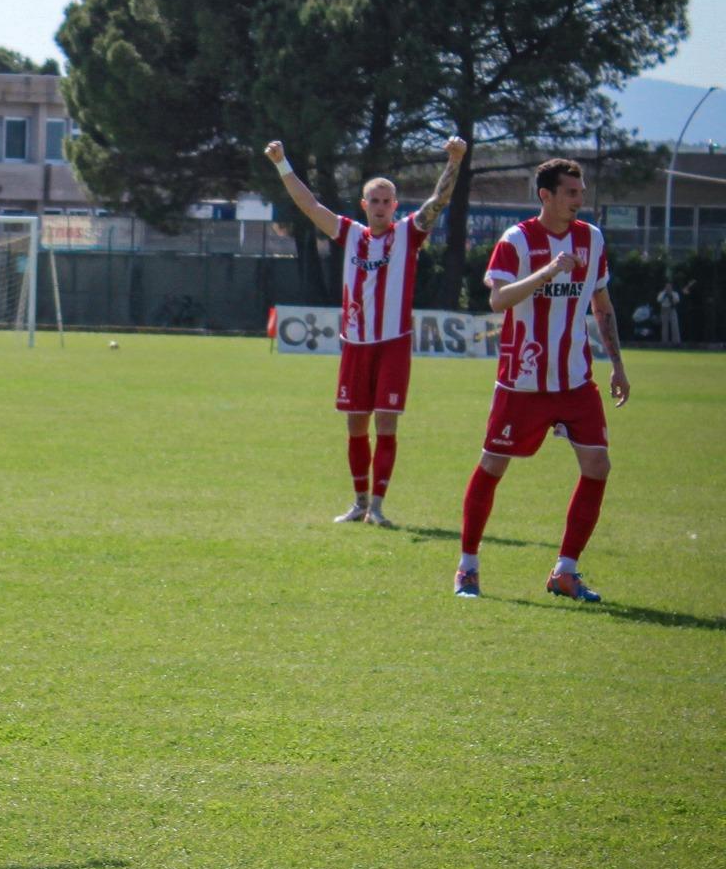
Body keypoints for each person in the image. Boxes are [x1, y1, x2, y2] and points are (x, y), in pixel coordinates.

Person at [264, 136, 466, 526]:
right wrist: (282, 163)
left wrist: (454, 161)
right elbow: (309, 206)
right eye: (373, 200)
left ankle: (377, 506)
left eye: (386, 200)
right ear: (364, 205)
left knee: (386, 424)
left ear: (395, 206)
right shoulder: (351, 234)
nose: (380, 206)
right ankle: (358, 502)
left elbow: (438, 202)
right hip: (355, 344)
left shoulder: (409, 233)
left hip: (392, 344)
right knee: (355, 425)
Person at [454, 158, 630, 601]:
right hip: (523, 382)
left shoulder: (592, 239)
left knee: (598, 466)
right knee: (493, 465)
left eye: (581, 191)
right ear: (545, 196)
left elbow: (602, 305)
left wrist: (618, 366)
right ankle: (468, 568)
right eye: (571, 192)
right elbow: (498, 301)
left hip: (575, 381)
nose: (579, 199)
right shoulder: (517, 240)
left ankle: (565, 572)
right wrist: (548, 272)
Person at [657, 279, 682, 346]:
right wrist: (665, 295)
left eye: (669, 286)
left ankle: (676, 342)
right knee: (665, 327)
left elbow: (676, 301)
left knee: (675, 325)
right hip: (664, 310)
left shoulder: (675, 293)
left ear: (671, 287)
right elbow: (659, 300)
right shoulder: (662, 293)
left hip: (672, 309)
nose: (668, 288)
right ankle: (664, 342)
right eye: (667, 286)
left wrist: (670, 296)